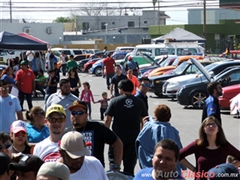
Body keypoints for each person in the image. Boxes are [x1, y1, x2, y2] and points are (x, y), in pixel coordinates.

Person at [105, 79, 148, 176]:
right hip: (133, 138)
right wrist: (142, 135)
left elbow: (107, 119)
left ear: (121, 89)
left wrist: (105, 135)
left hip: (116, 139)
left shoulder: (115, 101)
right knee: (129, 166)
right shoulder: (140, 102)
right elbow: (144, 120)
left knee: (115, 165)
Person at [65, 100, 123, 168]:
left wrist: (116, 165)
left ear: (87, 115)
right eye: (73, 113)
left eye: (80, 113)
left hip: (95, 171)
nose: (76, 115)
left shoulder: (97, 127)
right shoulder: (67, 132)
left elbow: (117, 143)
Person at [136, 104, 185, 175]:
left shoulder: (147, 127)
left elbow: (140, 143)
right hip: (167, 172)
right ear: (169, 116)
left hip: (147, 167)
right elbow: (178, 150)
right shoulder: (171, 131)